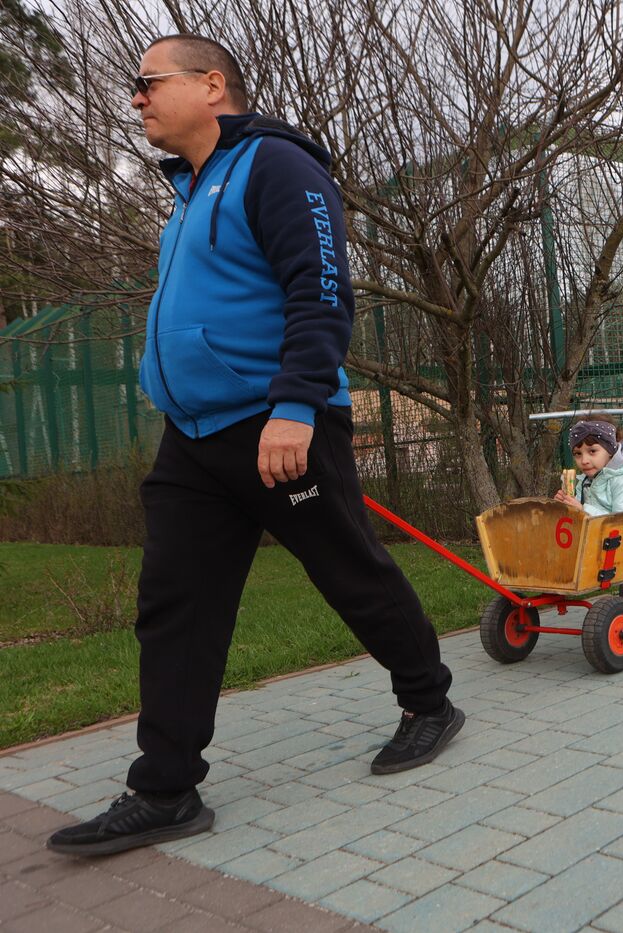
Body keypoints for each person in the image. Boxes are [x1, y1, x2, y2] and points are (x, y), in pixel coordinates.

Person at [47, 35, 460, 857]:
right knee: (175, 604)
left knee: (349, 568)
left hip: (279, 423)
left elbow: (323, 285)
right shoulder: (190, 191)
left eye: (147, 83)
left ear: (212, 85)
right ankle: (164, 787)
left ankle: (429, 699)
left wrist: (297, 404)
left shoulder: (277, 166)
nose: (135, 99)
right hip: (193, 438)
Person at [554, 414, 623, 515]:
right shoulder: (587, 479)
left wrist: (582, 511)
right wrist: (566, 505)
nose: (584, 460)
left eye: (592, 451)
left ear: (610, 450)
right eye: (578, 453)